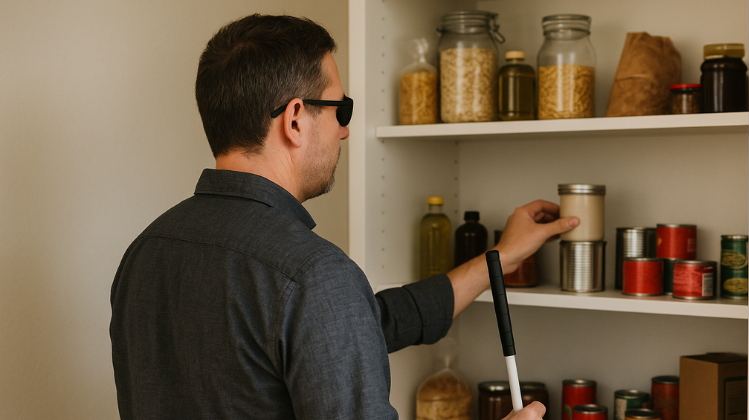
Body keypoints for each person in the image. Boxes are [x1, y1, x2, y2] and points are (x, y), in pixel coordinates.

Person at [109, 14, 577, 420]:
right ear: (295, 119)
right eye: (341, 108)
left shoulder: (145, 253)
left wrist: (500, 257)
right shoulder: (312, 275)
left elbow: (366, 324)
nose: (346, 130)